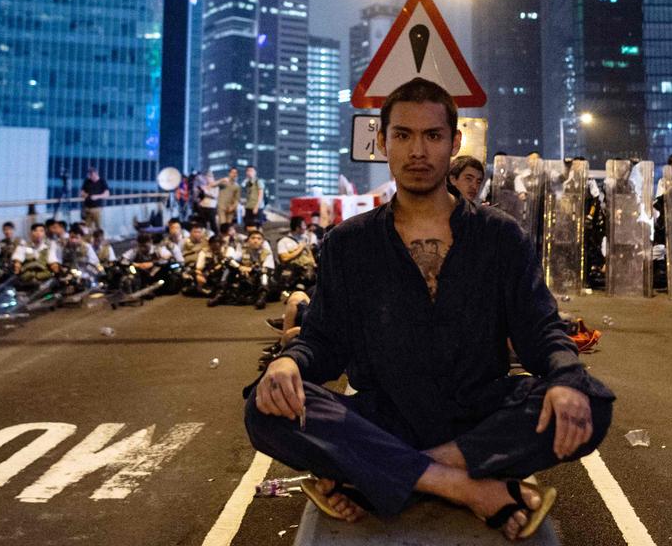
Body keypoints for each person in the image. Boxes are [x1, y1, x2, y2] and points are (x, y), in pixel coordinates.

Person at [245, 79, 613, 540]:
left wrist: (563, 380)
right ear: (382, 143)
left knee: (591, 402)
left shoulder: (500, 237)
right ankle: (464, 486)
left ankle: (383, 472)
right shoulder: (349, 243)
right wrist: (287, 362)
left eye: (432, 136)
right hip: (384, 413)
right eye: (402, 135)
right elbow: (324, 341)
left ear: (454, 143)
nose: (417, 150)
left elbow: (540, 330)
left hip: (479, 412)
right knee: (263, 409)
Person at [213, 229, 275, 308]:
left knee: (264, 274)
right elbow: (229, 260)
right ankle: (220, 294)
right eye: (253, 238)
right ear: (248, 240)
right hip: (244, 275)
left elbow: (267, 269)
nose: (255, 241)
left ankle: (262, 298)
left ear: (262, 242)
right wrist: (239, 267)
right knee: (228, 267)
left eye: (259, 239)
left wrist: (251, 270)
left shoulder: (267, 253)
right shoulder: (243, 250)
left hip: (259, 277)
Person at [276, 217, 318, 292]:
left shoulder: (305, 238)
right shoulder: (283, 241)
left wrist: (313, 262)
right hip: (293, 270)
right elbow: (284, 258)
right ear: (297, 228)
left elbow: (309, 252)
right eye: (304, 225)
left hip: (308, 267)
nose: (306, 227)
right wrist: (300, 249)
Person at [80, 166, 111, 230]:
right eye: (90, 174)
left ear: (96, 174)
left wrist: (97, 196)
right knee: (87, 228)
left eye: (92, 174)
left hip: (96, 209)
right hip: (87, 208)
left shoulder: (102, 181)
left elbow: (107, 194)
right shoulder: (87, 181)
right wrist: (86, 195)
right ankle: (88, 239)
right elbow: (81, 192)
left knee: (98, 227)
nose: (90, 176)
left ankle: (98, 238)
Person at [194, 169, 221, 233]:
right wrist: (199, 191)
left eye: (209, 178)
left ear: (212, 178)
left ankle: (215, 235)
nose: (207, 179)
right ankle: (204, 235)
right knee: (203, 223)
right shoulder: (205, 185)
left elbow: (215, 196)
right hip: (203, 205)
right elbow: (200, 196)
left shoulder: (216, 186)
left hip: (211, 206)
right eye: (206, 178)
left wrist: (206, 191)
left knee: (213, 223)